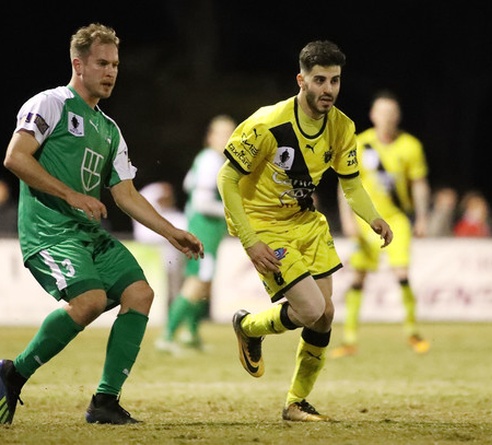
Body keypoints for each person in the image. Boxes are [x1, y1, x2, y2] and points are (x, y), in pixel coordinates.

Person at [0, 23, 203, 426]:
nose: (111, 72)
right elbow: (15, 158)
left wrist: (171, 231)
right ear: (79, 64)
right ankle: (13, 373)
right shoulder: (51, 103)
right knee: (90, 302)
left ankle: (105, 402)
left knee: (141, 294)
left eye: (115, 64)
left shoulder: (110, 130)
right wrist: (71, 194)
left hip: (88, 235)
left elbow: (125, 194)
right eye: (102, 63)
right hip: (50, 232)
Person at [216, 40, 393, 422]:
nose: (328, 89)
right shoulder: (268, 123)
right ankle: (248, 327)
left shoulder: (342, 126)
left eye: (335, 80)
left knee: (326, 315)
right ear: (301, 80)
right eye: (320, 80)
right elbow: (226, 180)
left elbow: (351, 183)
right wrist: (250, 239)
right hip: (264, 224)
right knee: (310, 308)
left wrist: (373, 217)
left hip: (305, 221)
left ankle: (296, 402)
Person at [330, 89, 431, 359]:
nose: (387, 118)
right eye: (382, 112)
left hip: (396, 219)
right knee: (359, 277)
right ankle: (349, 339)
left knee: (402, 273)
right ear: (373, 115)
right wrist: (347, 219)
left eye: (391, 113)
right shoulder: (360, 144)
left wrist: (422, 217)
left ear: (398, 116)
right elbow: (346, 185)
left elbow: (419, 184)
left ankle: (412, 332)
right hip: (365, 221)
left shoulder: (410, 146)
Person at [155, 114, 236, 354]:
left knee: (204, 283)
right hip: (203, 230)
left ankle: (191, 333)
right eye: (222, 133)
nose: (228, 138)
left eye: (231, 133)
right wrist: (233, 212)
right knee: (197, 281)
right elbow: (202, 202)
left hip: (207, 230)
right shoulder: (211, 160)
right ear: (210, 136)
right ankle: (167, 335)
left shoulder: (210, 160)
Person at [132, 181, 188, 313]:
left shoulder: (169, 213)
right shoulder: (151, 196)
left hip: (163, 245)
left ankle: (175, 309)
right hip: (153, 244)